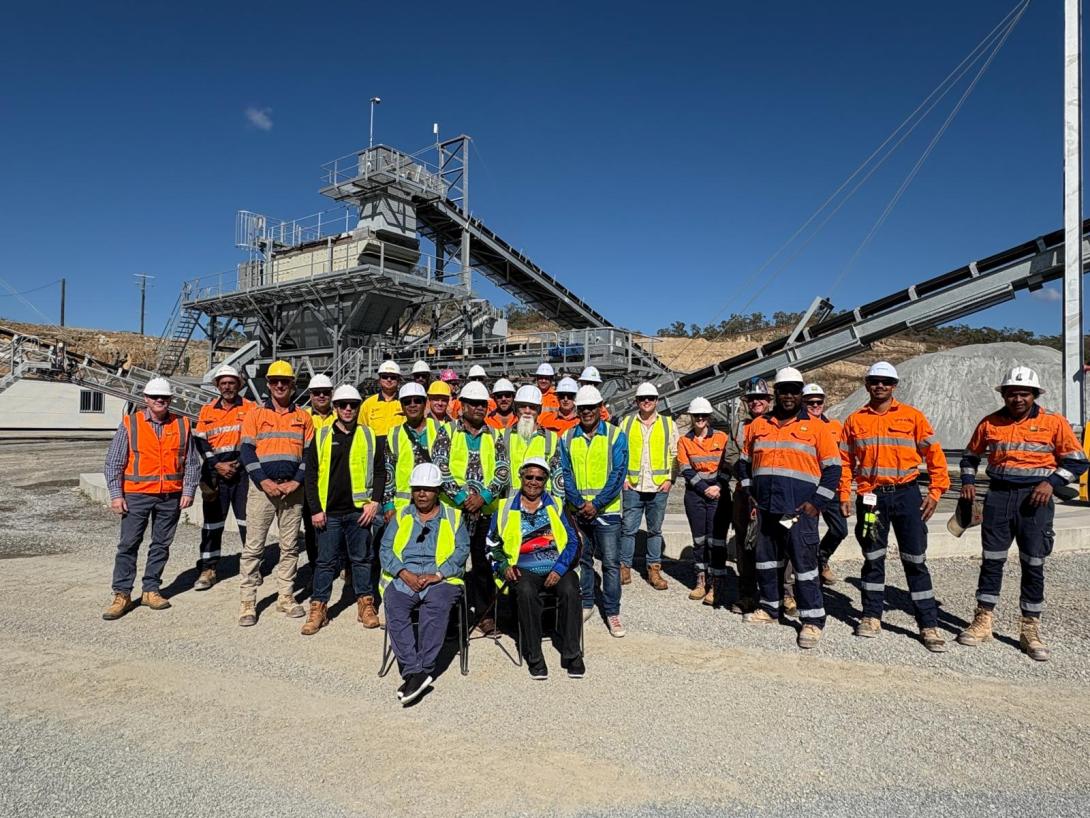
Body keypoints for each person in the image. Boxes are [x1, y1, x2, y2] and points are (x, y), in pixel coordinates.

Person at [957, 366, 1088, 661]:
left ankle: (1030, 628)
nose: (1018, 398)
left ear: (1034, 395)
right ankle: (983, 620)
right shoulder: (990, 422)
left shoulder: (1054, 422)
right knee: (992, 561)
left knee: (1033, 563)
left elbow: (1078, 461)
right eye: (1012, 393)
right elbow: (970, 456)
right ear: (1004, 394)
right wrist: (966, 482)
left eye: (1024, 393)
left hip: (1035, 500)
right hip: (999, 496)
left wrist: (1051, 483)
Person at [839, 361, 949, 652]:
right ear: (867, 384)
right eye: (874, 381)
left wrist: (936, 491)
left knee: (915, 559)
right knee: (873, 558)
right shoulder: (854, 420)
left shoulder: (912, 417)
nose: (880, 386)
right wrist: (844, 495)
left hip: (907, 495)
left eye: (886, 382)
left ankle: (928, 623)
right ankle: (872, 616)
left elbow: (934, 454)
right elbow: (844, 462)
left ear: (894, 386)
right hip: (871, 497)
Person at [735, 367, 840, 649]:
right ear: (776, 393)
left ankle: (812, 620)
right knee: (767, 560)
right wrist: (749, 490)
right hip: (767, 508)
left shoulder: (817, 428)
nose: (790, 395)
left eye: (795, 390)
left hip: (799, 511)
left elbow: (833, 470)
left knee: (805, 565)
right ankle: (770, 609)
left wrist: (817, 503)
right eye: (784, 390)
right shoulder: (759, 425)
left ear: (801, 393)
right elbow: (743, 462)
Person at [102, 378, 200, 620]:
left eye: (164, 398)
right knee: (128, 545)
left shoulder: (182, 424)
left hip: (170, 496)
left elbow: (192, 462)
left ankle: (151, 590)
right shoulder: (130, 424)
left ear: (170, 400)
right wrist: (116, 496)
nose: (160, 401)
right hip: (137, 495)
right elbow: (114, 462)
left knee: (161, 545)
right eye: (155, 397)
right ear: (145, 399)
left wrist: (188, 490)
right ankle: (122, 594)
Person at [380, 463, 470, 706]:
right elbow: (385, 549)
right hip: (404, 577)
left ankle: (423, 668)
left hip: (441, 578)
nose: (422, 494)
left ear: (437, 491)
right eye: (417, 488)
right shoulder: (401, 515)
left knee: (435, 607)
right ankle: (414, 671)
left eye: (428, 489)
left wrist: (438, 575)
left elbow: (462, 551)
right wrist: (403, 572)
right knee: (395, 606)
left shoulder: (454, 517)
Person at [488, 458, 584, 679]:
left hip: (556, 566)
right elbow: (492, 544)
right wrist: (503, 566)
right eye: (529, 477)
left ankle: (572, 654)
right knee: (526, 592)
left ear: (546, 481)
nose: (533, 482)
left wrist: (560, 569)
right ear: (521, 477)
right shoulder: (503, 508)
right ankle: (535, 657)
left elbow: (573, 541)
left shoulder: (558, 505)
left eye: (539, 478)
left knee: (570, 590)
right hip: (523, 568)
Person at [301, 385, 383, 635]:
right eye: (343, 405)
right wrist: (315, 509)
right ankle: (318, 608)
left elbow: (380, 471)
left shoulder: (369, 435)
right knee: (325, 562)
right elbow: (312, 474)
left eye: (353, 405)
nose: (348, 409)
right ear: (335, 408)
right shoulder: (322, 435)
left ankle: (365, 605)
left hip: (359, 511)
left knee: (362, 559)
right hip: (330, 512)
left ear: (359, 408)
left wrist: (375, 501)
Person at [237, 360, 314, 626]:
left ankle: (285, 596)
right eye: (274, 381)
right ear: (268, 385)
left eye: (285, 381)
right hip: (263, 491)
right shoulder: (255, 415)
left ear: (293, 385)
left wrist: (296, 481)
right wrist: (264, 481)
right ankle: (248, 601)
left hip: (293, 490)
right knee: (254, 548)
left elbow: (309, 454)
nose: (280, 385)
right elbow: (246, 452)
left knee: (290, 546)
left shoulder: (303, 417)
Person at [435, 381, 511, 634]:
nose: (479, 408)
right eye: (474, 403)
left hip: (485, 513)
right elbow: (440, 467)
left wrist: (484, 497)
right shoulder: (447, 432)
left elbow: (503, 470)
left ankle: (484, 616)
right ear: (463, 406)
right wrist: (462, 500)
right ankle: (450, 616)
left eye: (482, 404)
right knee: (452, 565)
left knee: (482, 567)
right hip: (454, 513)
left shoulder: (496, 434)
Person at [561, 385, 628, 637]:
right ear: (577, 410)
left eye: (592, 407)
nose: (587, 411)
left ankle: (612, 611)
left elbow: (618, 473)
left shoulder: (615, 435)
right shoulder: (567, 438)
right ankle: (587, 602)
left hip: (607, 511)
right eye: (583, 408)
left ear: (600, 408)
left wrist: (596, 503)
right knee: (583, 560)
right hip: (578, 511)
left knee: (610, 563)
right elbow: (565, 474)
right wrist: (579, 503)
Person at [192, 364, 254, 591]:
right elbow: (200, 440)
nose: (228, 387)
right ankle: (208, 569)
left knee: (247, 523)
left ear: (239, 384)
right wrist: (217, 464)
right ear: (217, 385)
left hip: (242, 473)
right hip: (214, 474)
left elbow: (253, 438)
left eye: (232, 382)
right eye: (223, 383)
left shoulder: (250, 408)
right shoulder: (207, 410)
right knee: (212, 524)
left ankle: (251, 568)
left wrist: (238, 463)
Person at [617, 382, 677, 590]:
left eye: (650, 398)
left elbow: (674, 454)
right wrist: (624, 479)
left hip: (658, 486)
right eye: (643, 399)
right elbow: (620, 454)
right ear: (636, 402)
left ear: (657, 401)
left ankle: (654, 569)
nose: (646, 402)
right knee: (628, 529)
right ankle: (624, 567)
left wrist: (670, 479)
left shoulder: (668, 424)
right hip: (633, 485)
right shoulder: (626, 423)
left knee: (654, 531)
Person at [720, 376, 772, 614]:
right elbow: (730, 454)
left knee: (777, 541)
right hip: (743, 492)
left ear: (768, 400)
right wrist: (745, 471)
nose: (756, 402)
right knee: (744, 543)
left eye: (760, 398)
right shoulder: (740, 425)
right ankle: (748, 595)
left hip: (771, 492)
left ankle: (785, 593)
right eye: (752, 399)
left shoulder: (778, 422)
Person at [677, 397, 730, 605]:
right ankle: (701, 580)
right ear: (691, 417)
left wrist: (718, 486)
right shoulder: (684, 441)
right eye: (696, 416)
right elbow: (685, 468)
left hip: (719, 493)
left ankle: (717, 582)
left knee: (716, 540)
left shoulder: (722, 438)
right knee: (699, 540)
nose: (700, 419)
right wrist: (704, 488)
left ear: (709, 417)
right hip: (695, 496)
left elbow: (727, 464)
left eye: (703, 416)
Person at [801, 383, 849, 584]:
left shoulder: (835, 427)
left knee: (840, 530)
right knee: (802, 532)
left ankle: (822, 558)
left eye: (818, 402)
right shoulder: (797, 427)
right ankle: (803, 570)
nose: (815, 405)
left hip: (830, 488)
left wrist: (845, 493)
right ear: (803, 403)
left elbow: (843, 462)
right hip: (806, 488)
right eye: (810, 402)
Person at [384, 382, 451, 516]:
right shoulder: (394, 434)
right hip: (405, 505)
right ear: (401, 406)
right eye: (407, 402)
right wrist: (388, 504)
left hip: (438, 504)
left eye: (417, 401)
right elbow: (388, 472)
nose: (412, 405)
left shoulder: (443, 429)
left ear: (425, 403)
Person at [502, 384, 564, 500]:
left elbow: (558, 477)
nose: (527, 411)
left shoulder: (552, 438)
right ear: (515, 409)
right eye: (522, 406)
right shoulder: (503, 436)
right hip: (510, 504)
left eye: (532, 407)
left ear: (539, 410)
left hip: (542, 505)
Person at [302, 374, 336, 569]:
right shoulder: (303, 416)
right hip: (311, 481)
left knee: (338, 525)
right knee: (311, 527)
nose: (321, 396)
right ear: (310, 395)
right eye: (317, 393)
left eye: (325, 392)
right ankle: (316, 567)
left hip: (334, 480)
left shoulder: (340, 415)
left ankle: (339, 565)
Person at [360, 360, 405, 437]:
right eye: (385, 376)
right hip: (376, 448)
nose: (389, 379)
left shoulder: (406, 402)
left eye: (393, 377)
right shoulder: (368, 404)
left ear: (398, 380)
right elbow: (361, 430)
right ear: (379, 380)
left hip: (401, 447)